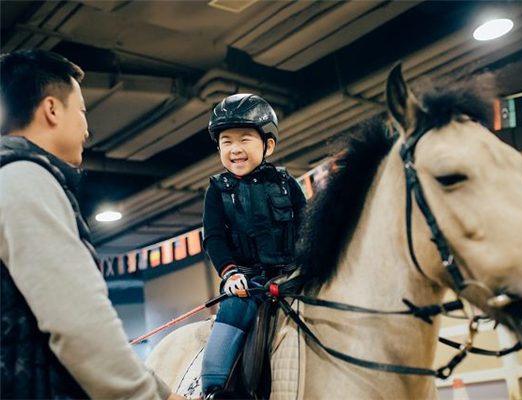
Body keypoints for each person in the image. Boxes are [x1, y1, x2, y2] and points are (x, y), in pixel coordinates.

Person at [0, 49, 189, 400]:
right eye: (82, 111)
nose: (86, 127)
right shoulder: (25, 179)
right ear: (52, 109)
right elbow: (79, 325)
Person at [201, 94, 307, 399]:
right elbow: (214, 238)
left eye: (245, 139)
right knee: (231, 316)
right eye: (226, 141)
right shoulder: (216, 191)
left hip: (293, 278)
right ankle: (213, 390)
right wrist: (231, 274)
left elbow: (308, 228)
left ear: (268, 145)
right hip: (248, 285)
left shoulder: (287, 183)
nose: (235, 149)